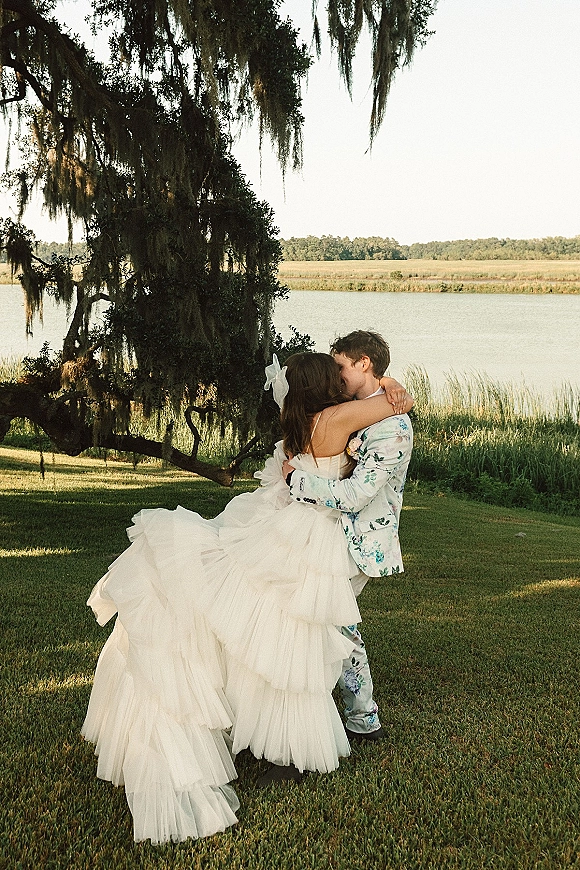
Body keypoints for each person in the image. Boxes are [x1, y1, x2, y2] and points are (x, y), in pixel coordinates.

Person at [81, 351, 413, 843]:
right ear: (324, 386)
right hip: (311, 533)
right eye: (336, 374)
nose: (344, 379)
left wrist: (384, 379)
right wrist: (394, 385)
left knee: (277, 632)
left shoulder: (299, 422)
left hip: (288, 524)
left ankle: (282, 731)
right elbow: (394, 407)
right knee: (294, 636)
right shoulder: (338, 417)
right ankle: (293, 743)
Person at [283, 331, 413, 743]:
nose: (335, 377)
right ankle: (360, 717)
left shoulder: (392, 429)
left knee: (333, 625)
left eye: (340, 367)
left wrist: (297, 481)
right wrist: (391, 385)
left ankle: (354, 717)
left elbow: (357, 495)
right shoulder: (359, 407)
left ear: (363, 364)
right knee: (334, 626)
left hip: (359, 541)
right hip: (330, 536)